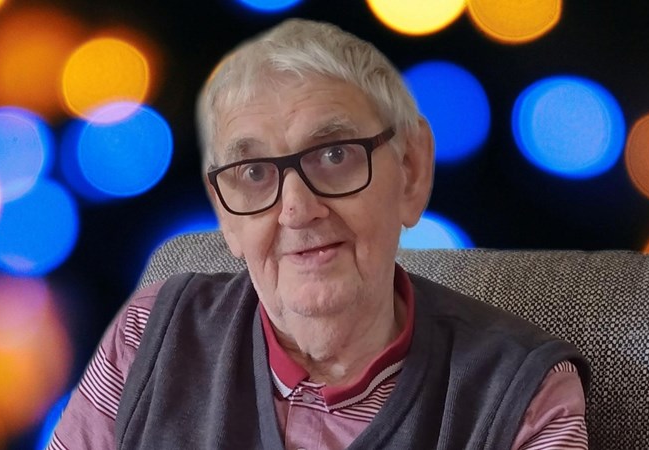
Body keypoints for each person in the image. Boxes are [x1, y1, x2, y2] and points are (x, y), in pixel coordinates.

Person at [49, 18, 590, 450]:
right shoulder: (149, 334)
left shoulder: (522, 396)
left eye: (334, 155)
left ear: (411, 169)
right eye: (254, 173)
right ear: (226, 214)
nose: (296, 210)